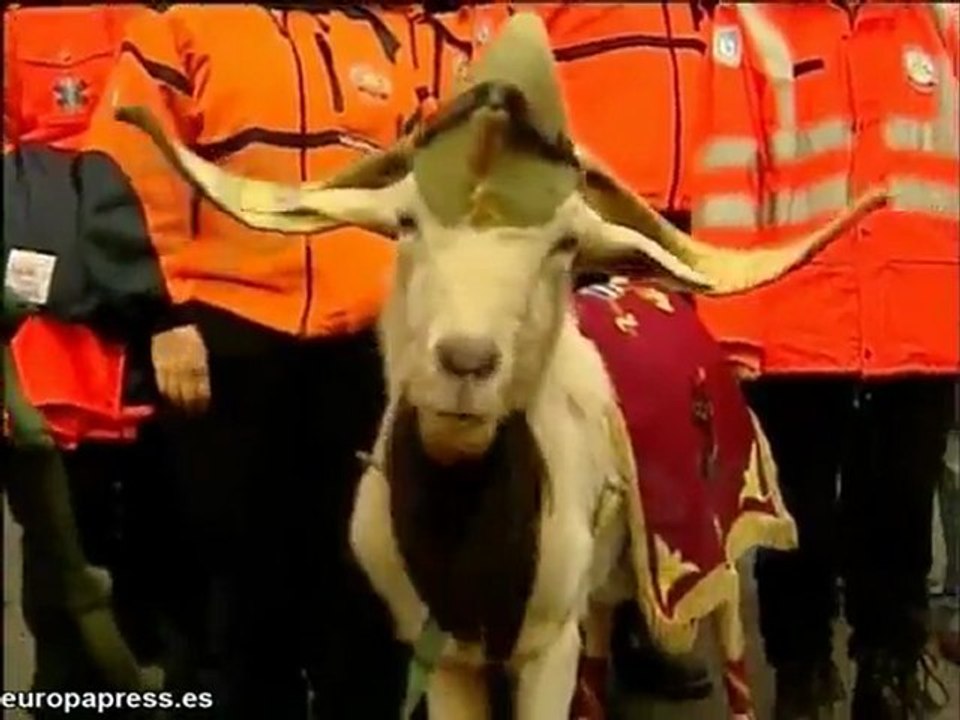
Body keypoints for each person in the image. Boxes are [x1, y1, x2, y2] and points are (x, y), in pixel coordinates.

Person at [75, 5, 429, 718]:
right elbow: (125, 175)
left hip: (362, 356)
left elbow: (428, 183)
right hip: (228, 350)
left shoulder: (376, 35)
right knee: (240, 599)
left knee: (365, 592)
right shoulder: (183, 27)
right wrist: (162, 317)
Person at [691, 2, 959, 718]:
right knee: (795, 518)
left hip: (921, 321)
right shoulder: (750, 23)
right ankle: (803, 670)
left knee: (900, 503)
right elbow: (727, 181)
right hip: (798, 324)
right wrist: (734, 334)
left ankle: (890, 665)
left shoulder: (938, 22)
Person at [4, 6, 172, 716]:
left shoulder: (177, 26)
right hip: (50, 362)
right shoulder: (20, 31)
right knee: (62, 570)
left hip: (169, 339)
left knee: (171, 572)